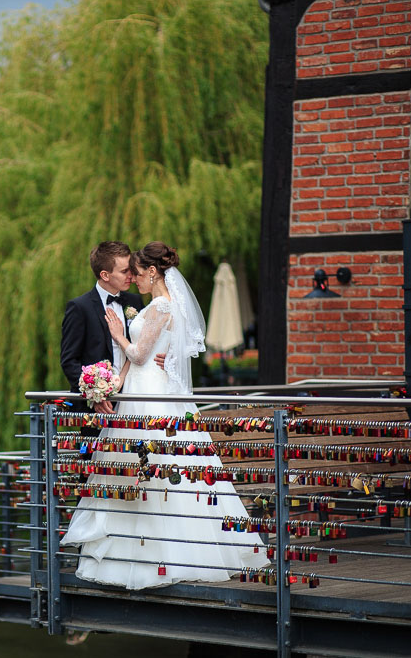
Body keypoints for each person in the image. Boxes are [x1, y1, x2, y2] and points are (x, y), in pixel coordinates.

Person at [60, 242, 269, 590]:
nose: (133, 278)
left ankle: (168, 556)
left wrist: (119, 336)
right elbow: (139, 355)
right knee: (130, 473)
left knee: (157, 472)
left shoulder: (152, 305)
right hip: (130, 394)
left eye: (137, 272)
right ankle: (121, 557)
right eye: (127, 272)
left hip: (151, 398)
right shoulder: (94, 307)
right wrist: (110, 385)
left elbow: (140, 351)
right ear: (104, 273)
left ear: (152, 272)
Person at [60, 241, 145, 414]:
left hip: (135, 396)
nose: (131, 274)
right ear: (105, 275)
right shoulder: (79, 307)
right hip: (97, 408)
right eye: (124, 271)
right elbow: (69, 361)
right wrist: (94, 396)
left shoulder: (135, 302)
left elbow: (142, 346)